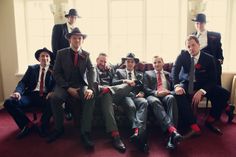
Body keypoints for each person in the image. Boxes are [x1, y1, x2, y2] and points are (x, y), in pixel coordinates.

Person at [172, 35, 233, 138]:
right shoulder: (182, 55)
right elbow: (174, 71)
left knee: (223, 94)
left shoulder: (209, 58)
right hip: (187, 82)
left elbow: (213, 79)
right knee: (177, 94)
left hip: (204, 84)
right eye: (188, 46)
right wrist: (177, 85)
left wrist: (202, 91)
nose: (191, 48)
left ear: (199, 45)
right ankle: (193, 125)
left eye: (193, 45)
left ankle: (211, 119)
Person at [47, 28, 96, 150]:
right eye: (74, 37)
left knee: (90, 97)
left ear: (82, 40)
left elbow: (91, 70)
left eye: (80, 38)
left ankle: (85, 132)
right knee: (55, 98)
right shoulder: (61, 53)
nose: (77, 40)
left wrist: (90, 88)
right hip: (64, 85)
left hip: (81, 84)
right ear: (69, 39)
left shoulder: (86, 54)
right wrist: (68, 88)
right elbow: (56, 73)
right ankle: (59, 129)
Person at [4, 48, 54, 138]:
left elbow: (57, 84)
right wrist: (18, 92)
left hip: (45, 96)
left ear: (50, 59)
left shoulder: (54, 70)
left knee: (54, 101)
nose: (45, 58)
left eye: (47, 56)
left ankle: (42, 124)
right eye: (42, 56)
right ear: (38, 59)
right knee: (8, 102)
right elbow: (23, 82)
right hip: (31, 95)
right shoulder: (32, 69)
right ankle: (27, 125)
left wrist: (52, 92)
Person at [95, 53, 136, 153]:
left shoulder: (110, 68)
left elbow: (121, 63)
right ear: (96, 60)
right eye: (101, 61)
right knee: (107, 94)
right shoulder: (93, 69)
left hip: (114, 93)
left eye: (105, 61)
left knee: (130, 84)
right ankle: (115, 135)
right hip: (101, 94)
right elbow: (94, 85)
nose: (103, 63)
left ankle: (109, 90)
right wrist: (104, 89)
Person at [143, 56, 182, 149]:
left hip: (166, 95)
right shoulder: (147, 73)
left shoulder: (168, 74)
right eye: (155, 63)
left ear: (163, 63)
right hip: (153, 96)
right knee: (155, 101)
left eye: (159, 62)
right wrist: (156, 93)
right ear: (152, 65)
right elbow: (145, 88)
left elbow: (174, 88)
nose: (157, 64)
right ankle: (173, 131)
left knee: (171, 98)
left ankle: (171, 135)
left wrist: (168, 92)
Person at [113, 53, 149, 152]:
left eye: (131, 62)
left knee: (144, 102)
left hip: (137, 96)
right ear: (125, 62)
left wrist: (142, 93)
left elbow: (144, 88)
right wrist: (125, 81)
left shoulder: (140, 74)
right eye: (128, 61)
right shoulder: (119, 71)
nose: (129, 63)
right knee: (131, 106)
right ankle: (140, 134)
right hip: (126, 96)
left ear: (134, 64)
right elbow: (113, 82)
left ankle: (138, 133)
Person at [192, 13, 224, 86]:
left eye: (201, 23)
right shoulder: (191, 36)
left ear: (205, 23)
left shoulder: (215, 35)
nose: (199, 25)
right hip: (197, 66)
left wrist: (220, 60)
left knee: (214, 87)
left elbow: (219, 49)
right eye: (197, 23)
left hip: (212, 64)